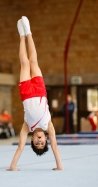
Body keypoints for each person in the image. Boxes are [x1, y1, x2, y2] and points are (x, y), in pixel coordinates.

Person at [7, 16, 63, 171]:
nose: (40, 141)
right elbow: (56, 147)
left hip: (25, 93)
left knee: (24, 63)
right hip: (39, 91)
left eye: (36, 143)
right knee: (33, 62)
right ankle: (29, 32)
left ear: (31, 140)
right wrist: (59, 166)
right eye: (42, 142)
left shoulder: (28, 127)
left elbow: (19, 146)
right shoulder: (48, 126)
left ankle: (21, 36)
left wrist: (12, 167)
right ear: (45, 138)